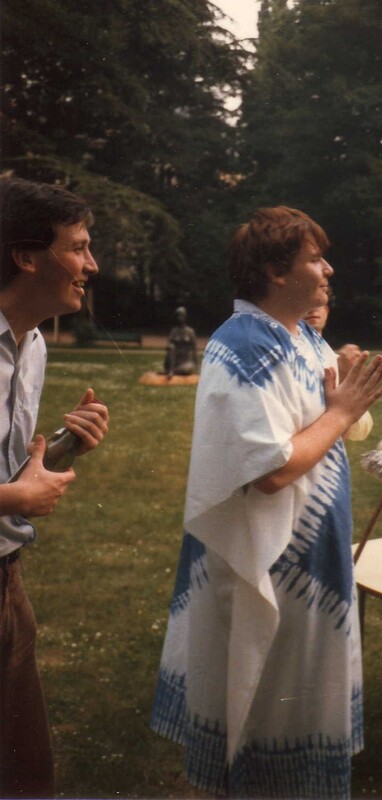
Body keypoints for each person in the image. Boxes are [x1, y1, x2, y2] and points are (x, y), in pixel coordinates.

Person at [151, 206, 382, 799]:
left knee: (299, 700)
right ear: (276, 271)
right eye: (316, 258)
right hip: (266, 564)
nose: (329, 269)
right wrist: (341, 413)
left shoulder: (302, 338)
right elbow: (272, 469)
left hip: (308, 561)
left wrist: (344, 403)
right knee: (260, 707)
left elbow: (332, 428)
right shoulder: (242, 346)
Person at [0, 176, 109, 798]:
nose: (91, 266)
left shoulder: (33, 344)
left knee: (27, 773)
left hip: (8, 582)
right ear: (26, 256)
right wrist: (12, 500)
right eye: (78, 248)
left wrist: (67, 446)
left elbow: (13, 470)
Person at [303, 302, 373, 441]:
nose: (312, 309)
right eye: (306, 302)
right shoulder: (291, 361)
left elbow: (361, 430)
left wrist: (351, 384)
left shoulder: (339, 360)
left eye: (318, 304)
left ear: (326, 311)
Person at [162, 306, 198, 376]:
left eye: (181, 315)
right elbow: (168, 345)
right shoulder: (174, 331)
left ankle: (172, 371)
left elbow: (194, 350)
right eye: (178, 315)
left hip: (185, 362)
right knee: (171, 346)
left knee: (188, 368)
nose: (179, 317)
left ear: (185, 317)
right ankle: (171, 370)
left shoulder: (190, 332)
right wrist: (170, 346)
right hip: (173, 362)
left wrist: (197, 367)